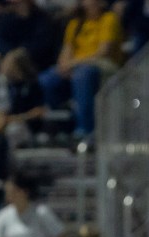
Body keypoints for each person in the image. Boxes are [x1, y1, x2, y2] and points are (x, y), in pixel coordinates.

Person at [39, 0, 124, 139]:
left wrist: (74, 63)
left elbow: (103, 52)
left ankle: (85, 129)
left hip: (103, 65)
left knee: (82, 75)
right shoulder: (75, 23)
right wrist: (63, 65)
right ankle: (63, 126)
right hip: (76, 65)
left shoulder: (109, 19)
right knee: (46, 80)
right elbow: (67, 49)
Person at [0, 48, 46, 148]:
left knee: (12, 131)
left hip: (25, 126)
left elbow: (39, 111)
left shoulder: (32, 84)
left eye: (8, 62)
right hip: (2, 123)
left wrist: (15, 118)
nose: (3, 65)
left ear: (17, 65)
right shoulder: (3, 84)